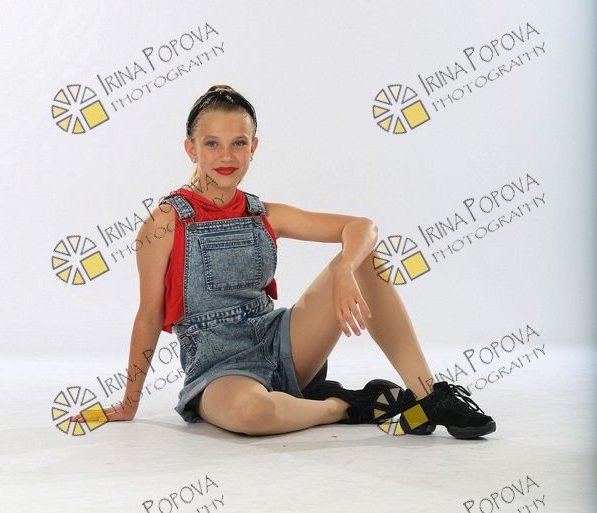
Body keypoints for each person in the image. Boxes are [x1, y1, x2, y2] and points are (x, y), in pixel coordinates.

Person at [96, 85, 496, 439]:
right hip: (217, 369)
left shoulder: (265, 214)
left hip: (282, 344)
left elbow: (362, 226)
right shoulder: (165, 222)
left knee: (364, 258)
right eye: (212, 143)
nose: (226, 156)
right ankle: (344, 406)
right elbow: (149, 314)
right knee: (250, 413)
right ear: (191, 148)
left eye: (239, 143)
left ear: (254, 147)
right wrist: (130, 402)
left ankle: (429, 397)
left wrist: (345, 268)